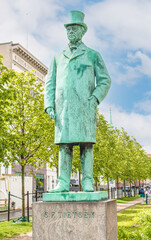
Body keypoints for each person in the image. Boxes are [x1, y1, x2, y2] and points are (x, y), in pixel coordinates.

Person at [44, 10, 111, 193]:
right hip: (63, 108)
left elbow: (105, 80)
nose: (70, 32)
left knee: (86, 145)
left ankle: (87, 180)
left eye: (74, 29)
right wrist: (49, 104)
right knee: (64, 145)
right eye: (68, 29)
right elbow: (49, 82)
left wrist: (95, 98)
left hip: (84, 106)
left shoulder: (92, 55)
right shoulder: (58, 56)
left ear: (82, 31)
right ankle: (63, 181)